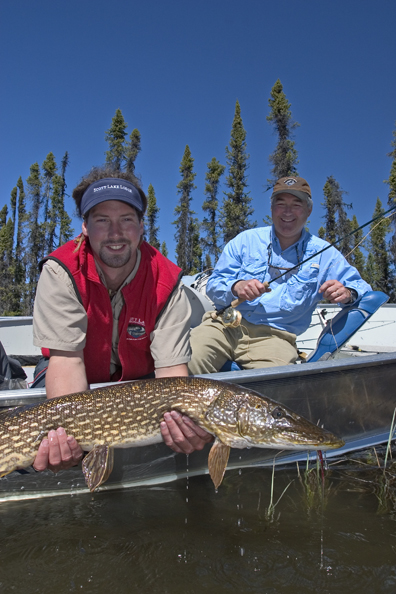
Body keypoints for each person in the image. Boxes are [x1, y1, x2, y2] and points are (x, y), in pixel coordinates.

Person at [32, 166, 212, 473]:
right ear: (85, 227)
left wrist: (184, 425)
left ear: (142, 225)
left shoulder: (168, 281)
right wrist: (73, 439)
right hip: (73, 378)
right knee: (56, 443)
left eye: (127, 220)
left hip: (140, 385)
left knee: (182, 434)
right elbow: (66, 362)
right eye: (102, 221)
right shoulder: (61, 270)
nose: (115, 233)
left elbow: (171, 376)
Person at [188, 176, 371, 374]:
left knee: (275, 386)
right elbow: (214, 285)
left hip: (276, 338)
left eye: (296, 204)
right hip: (223, 326)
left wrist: (347, 293)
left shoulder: (325, 254)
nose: (287, 211)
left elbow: (362, 288)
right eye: (280, 203)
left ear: (309, 210)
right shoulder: (245, 241)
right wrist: (236, 287)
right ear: (272, 208)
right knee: (185, 361)